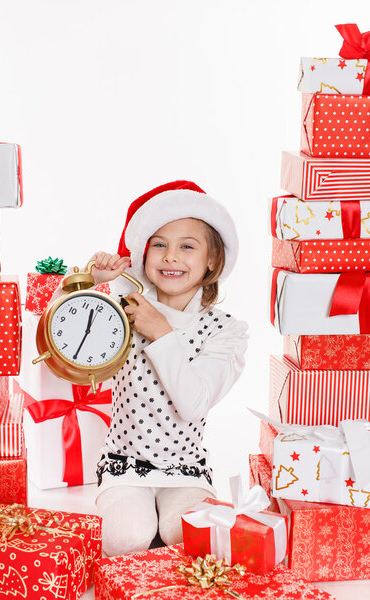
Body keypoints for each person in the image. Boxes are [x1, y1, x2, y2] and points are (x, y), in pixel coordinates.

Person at [92, 180, 248, 556]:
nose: (170, 256)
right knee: (125, 539)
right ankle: (143, 533)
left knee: (187, 537)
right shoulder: (122, 309)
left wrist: (161, 333)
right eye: (159, 244)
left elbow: (193, 403)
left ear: (212, 259)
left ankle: (163, 537)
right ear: (143, 254)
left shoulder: (226, 331)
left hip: (185, 465)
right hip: (125, 463)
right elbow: (73, 356)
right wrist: (91, 288)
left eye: (187, 246)